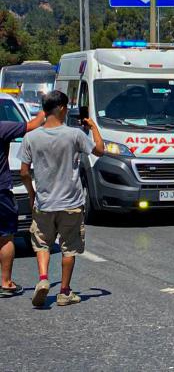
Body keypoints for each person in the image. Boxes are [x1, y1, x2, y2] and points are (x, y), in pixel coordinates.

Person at [19, 90, 104, 307]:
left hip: (44, 202)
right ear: (63, 109)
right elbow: (100, 151)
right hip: (71, 203)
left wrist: (31, 193)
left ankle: (44, 279)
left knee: (42, 243)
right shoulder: (74, 135)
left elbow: (24, 172)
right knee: (69, 247)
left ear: (45, 110)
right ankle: (65, 292)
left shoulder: (31, 137)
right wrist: (93, 127)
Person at [0, 109, 46, 298]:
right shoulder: (3, 127)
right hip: (1, 192)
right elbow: (33, 125)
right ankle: (5, 282)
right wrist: (44, 111)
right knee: (5, 237)